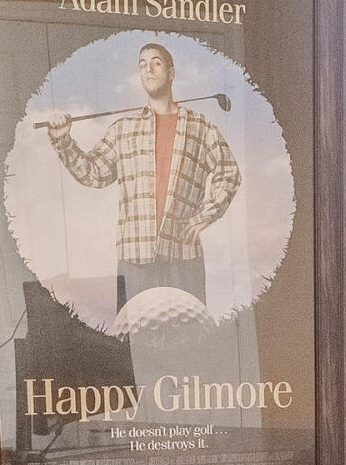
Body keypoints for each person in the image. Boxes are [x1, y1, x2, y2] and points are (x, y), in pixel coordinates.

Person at [37, 43, 242, 311]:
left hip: (183, 256)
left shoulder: (200, 126)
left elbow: (229, 172)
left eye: (156, 62)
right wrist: (62, 139)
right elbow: (93, 174)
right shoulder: (124, 129)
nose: (148, 68)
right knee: (136, 340)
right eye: (142, 64)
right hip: (134, 259)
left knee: (189, 341)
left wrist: (206, 215)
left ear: (171, 73)